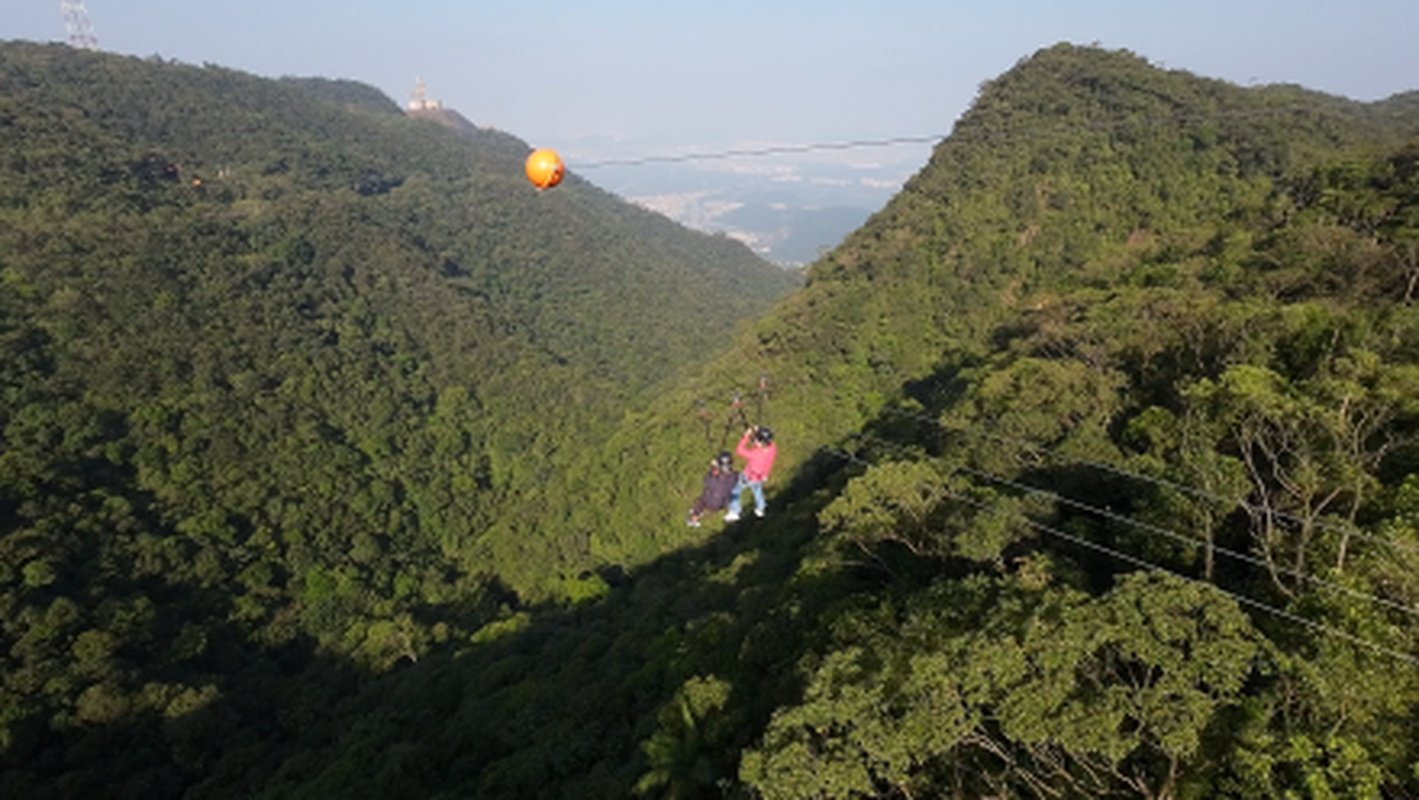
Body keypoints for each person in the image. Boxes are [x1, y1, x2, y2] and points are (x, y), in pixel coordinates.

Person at [724, 425, 777, 522]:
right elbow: (762, 445)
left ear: (760, 442)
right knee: (757, 491)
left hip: (748, 477)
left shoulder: (754, 454)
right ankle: (760, 508)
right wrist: (758, 430)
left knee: (734, 491)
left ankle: (735, 511)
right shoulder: (772, 449)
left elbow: (739, 450)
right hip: (761, 476)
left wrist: (746, 436)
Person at [687, 451, 738, 527]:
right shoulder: (734, 477)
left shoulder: (715, 479)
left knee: (701, 500)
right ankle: (701, 512)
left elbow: (706, 481)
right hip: (723, 503)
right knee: (713, 495)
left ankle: (694, 518)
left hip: (712, 502)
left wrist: (712, 471)